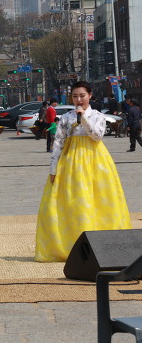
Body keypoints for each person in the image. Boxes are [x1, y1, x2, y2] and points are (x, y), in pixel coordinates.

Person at [35, 81, 131, 262]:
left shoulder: (97, 116)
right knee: (74, 201)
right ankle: (72, 245)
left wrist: (84, 118)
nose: (78, 100)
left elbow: (97, 136)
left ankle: (103, 245)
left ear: (90, 95)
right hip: (71, 162)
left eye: (82, 96)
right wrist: (53, 168)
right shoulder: (65, 118)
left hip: (95, 161)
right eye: (75, 96)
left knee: (99, 199)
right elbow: (58, 144)